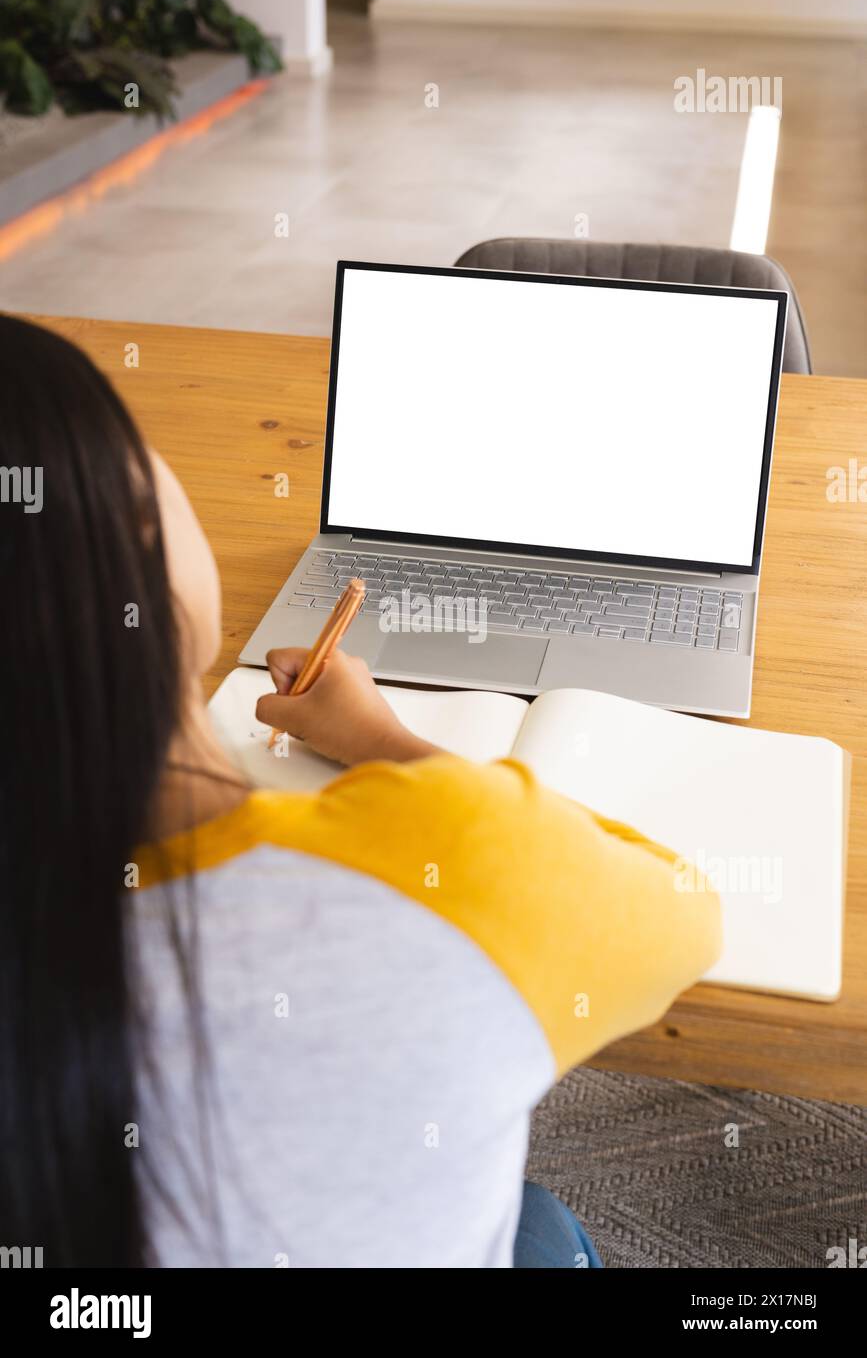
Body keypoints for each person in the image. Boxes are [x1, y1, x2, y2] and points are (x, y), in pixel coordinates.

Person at [0, 314, 720, 1268]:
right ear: (140, 547)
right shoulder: (449, 864)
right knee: (542, 1228)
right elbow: (684, 912)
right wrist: (384, 741)